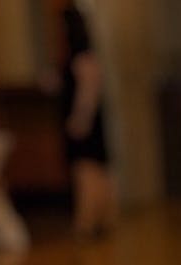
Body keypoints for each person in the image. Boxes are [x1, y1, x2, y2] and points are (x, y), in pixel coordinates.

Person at [61, 4, 115, 237]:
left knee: (86, 171)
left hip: (86, 121)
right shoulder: (85, 57)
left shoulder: (82, 58)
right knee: (96, 170)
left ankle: (87, 222)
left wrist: (80, 118)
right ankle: (101, 219)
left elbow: (88, 91)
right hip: (90, 120)